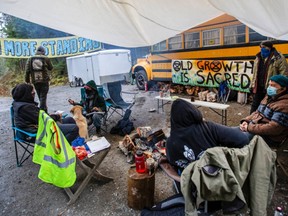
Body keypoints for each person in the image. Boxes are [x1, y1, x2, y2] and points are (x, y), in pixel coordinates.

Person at [166, 98, 250, 170]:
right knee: (248, 134)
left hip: (187, 185)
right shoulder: (207, 128)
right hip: (214, 179)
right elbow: (243, 139)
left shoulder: (169, 143)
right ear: (193, 112)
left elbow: (172, 164)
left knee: (235, 129)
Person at [12, 83, 79, 144]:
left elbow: (39, 116)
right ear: (26, 94)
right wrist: (57, 116)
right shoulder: (25, 107)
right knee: (74, 128)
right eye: (32, 92)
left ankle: (73, 144)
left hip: (38, 125)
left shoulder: (21, 102)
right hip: (35, 131)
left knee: (70, 119)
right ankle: (60, 148)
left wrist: (51, 116)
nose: (34, 93)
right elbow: (43, 119)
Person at [240, 74, 288, 146]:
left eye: (273, 86)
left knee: (238, 138)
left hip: (270, 138)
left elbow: (273, 128)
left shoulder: (284, 105)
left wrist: (249, 128)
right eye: (269, 85)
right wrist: (246, 121)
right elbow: (257, 112)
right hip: (256, 128)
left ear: (283, 88)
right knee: (231, 132)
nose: (269, 88)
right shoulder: (268, 97)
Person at [250, 40, 288, 114]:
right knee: (254, 106)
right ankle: (249, 122)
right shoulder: (258, 57)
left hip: (271, 88)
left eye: (264, 47)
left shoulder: (278, 58)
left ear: (269, 48)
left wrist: (279, 88)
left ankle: (263, 123)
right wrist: (252, 85)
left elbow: (284, 75)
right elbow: (255, 73)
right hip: (258, 87)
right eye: (261, 47)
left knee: (267, 107)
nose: (262, 49)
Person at [25, 46, 53, 113]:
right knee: (43, 97)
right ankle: (42, 113)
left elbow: (27, 71)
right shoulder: (45, 58)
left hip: (35, 81)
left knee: (41, 97)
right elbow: (51, 68)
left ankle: (45, 111)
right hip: (44, 81)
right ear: (43, 52)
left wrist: (27, 81)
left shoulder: (30, 59)